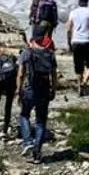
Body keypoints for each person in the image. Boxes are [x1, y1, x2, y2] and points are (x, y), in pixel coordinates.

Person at [18, 28, 58, 161]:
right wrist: (53, 89)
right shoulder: (50, 53)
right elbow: (53, 74)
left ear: (33, 38)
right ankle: (37, 152)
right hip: (44, 90)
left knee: (24, 115)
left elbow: (21, 73)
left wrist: (18, 90)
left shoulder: (27, 53)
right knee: (41, 121)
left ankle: (28, 141)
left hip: (29, 89)